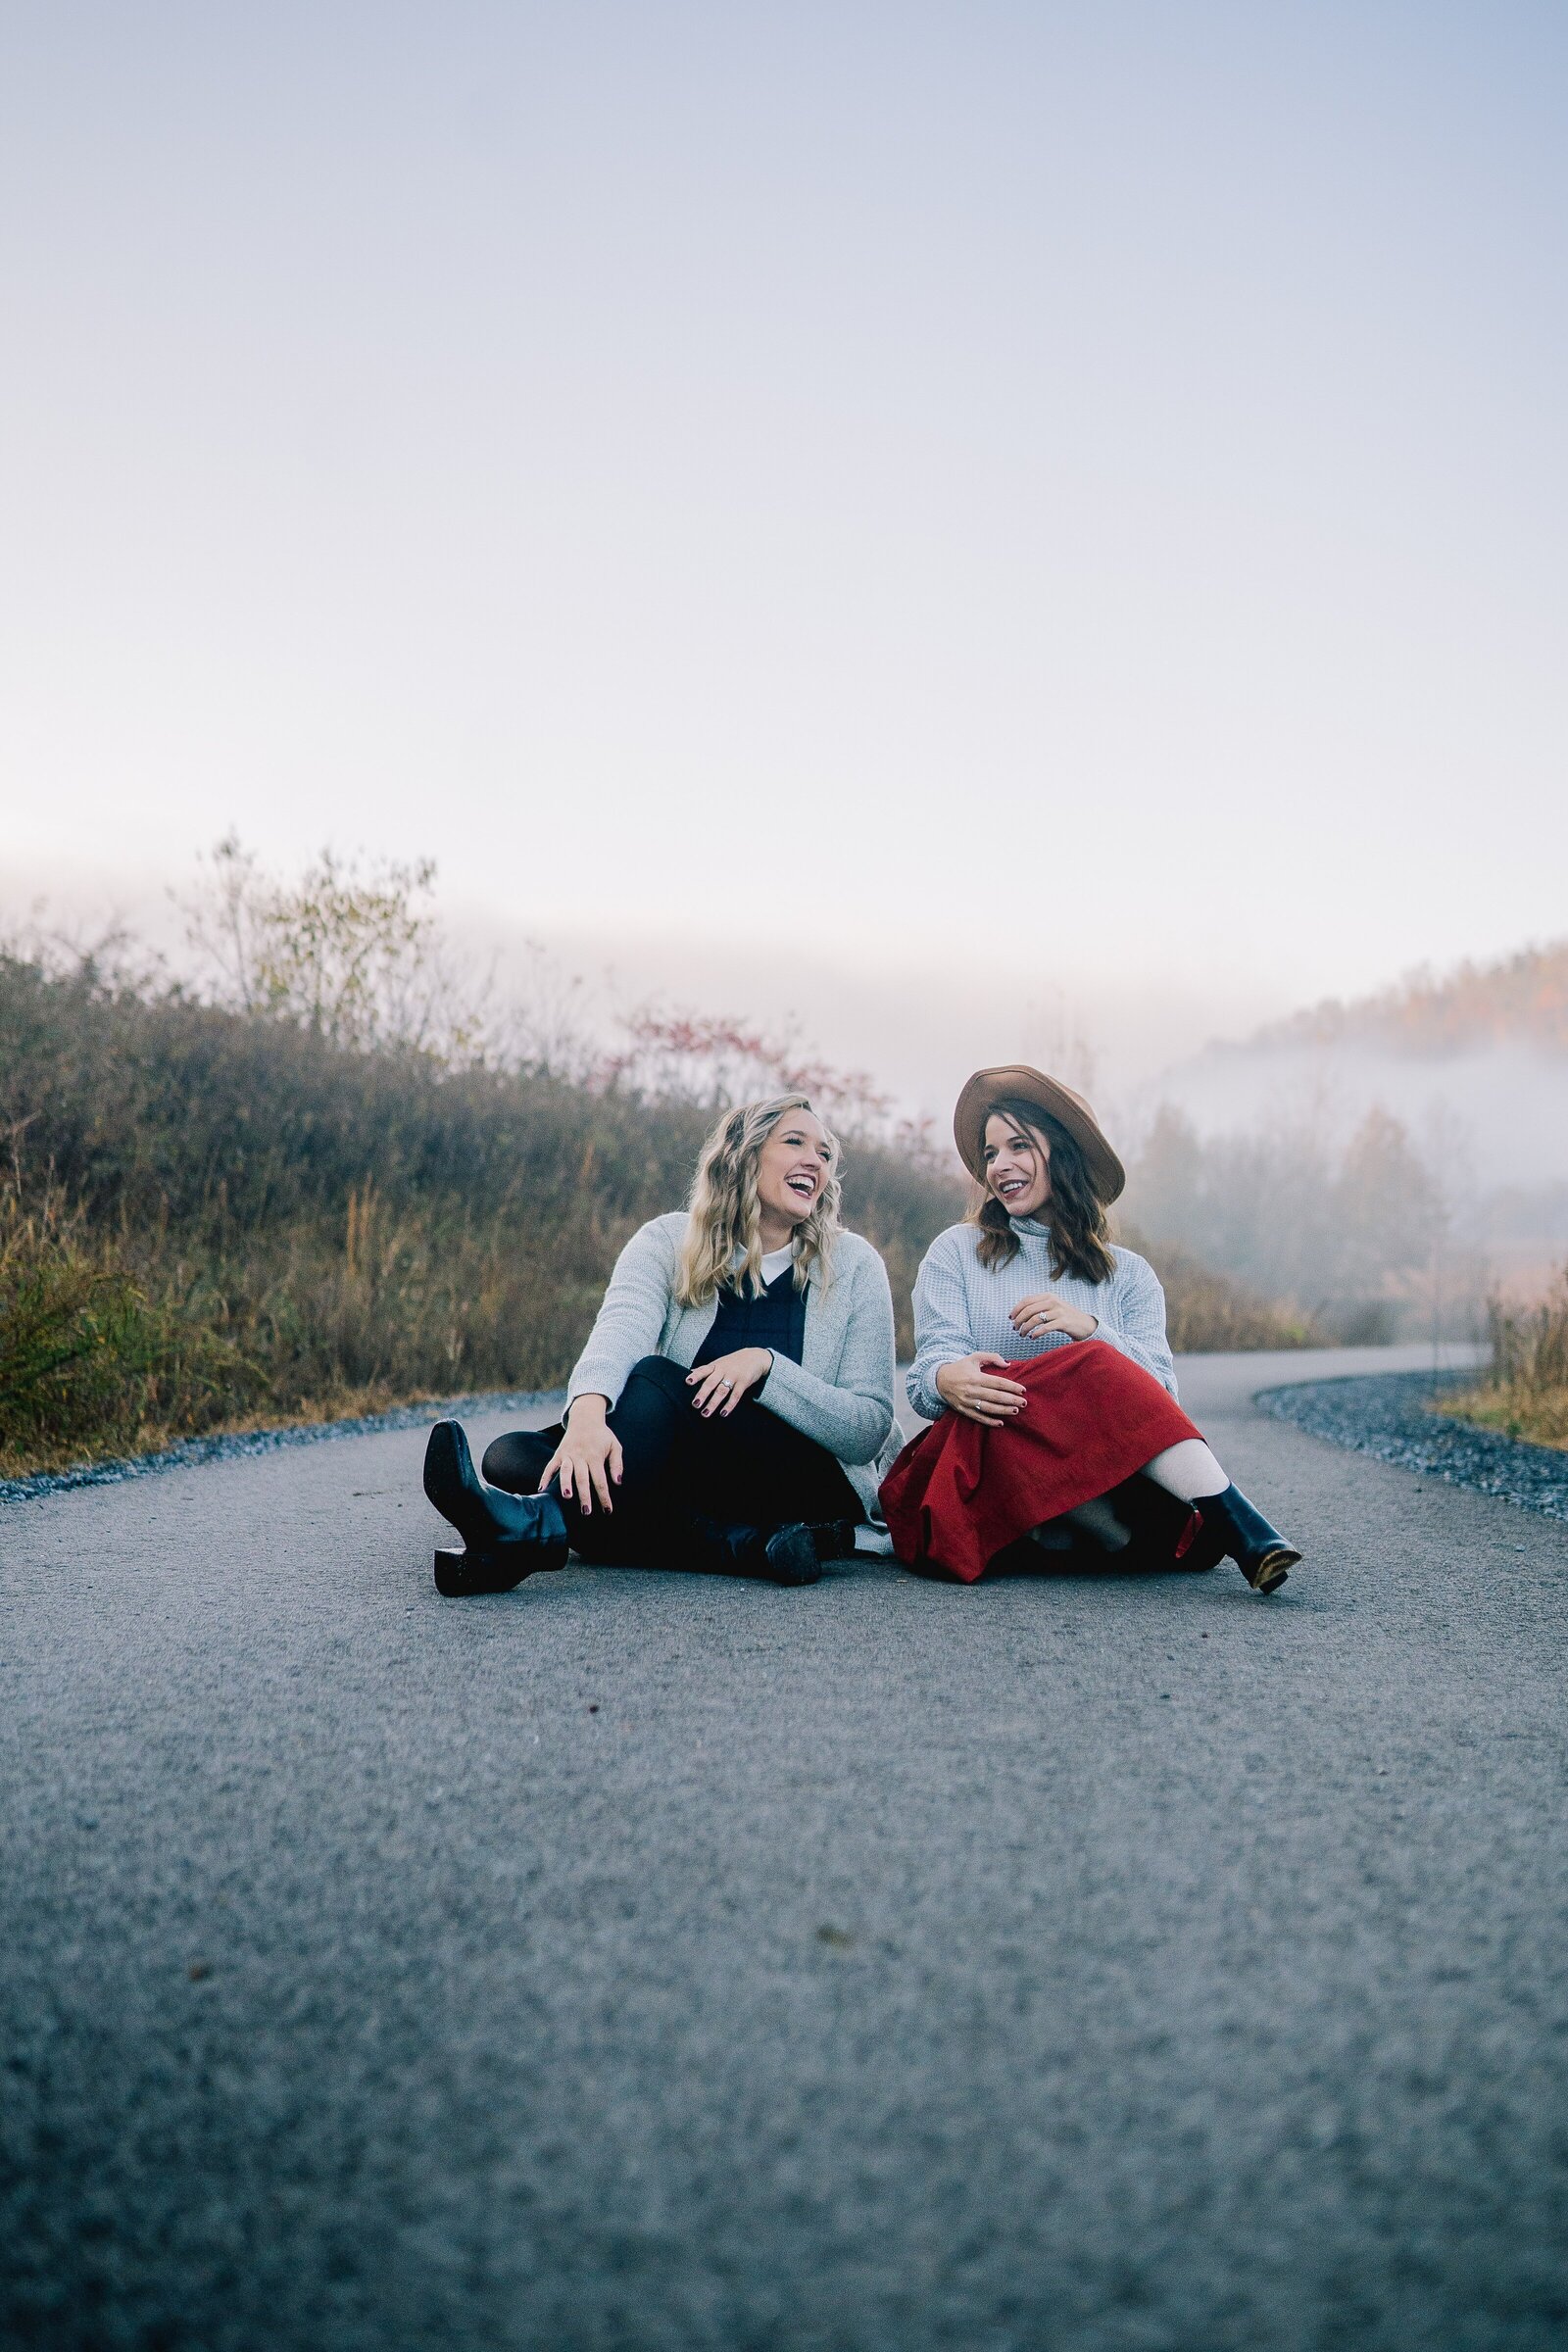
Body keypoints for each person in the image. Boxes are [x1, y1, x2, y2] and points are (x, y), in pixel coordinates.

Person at [422, 1094, 902, 1595]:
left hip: (803, 1479)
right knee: (515, 1457)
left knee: (653, 1380)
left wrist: (766, 1367)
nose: (815, 1161)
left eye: (825, 1154)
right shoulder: (668, 1242)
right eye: (795, 1142)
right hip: (695, 1479)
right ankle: (745, 1546)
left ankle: (529, 1530)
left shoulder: (853, 1265)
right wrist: (586, 1417)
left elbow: (866, 1430)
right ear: (744, 1154)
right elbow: (620, 1329)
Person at [881, 1064, 1303, 1593]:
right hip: (985, 1456)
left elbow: (1161, 1404)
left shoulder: (1129, 1276)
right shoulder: (956, 1252)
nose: (999, 1166)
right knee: (1078, 1373)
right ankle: (1233, 1525)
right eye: (991, 1154)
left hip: (1086, 1474)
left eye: (1018, 1146)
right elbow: (924, 1383)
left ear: (1062, 1153)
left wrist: (1092, 1331)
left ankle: (1080, 1530)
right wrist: (946, 1378)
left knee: (1099, 1363)